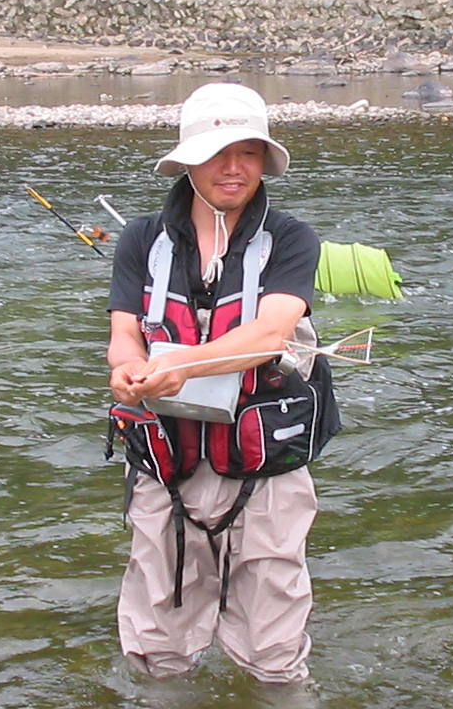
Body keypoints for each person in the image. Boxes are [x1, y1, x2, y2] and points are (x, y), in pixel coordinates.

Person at [105, 82, 340, 684]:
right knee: (157, 642)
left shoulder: (291, 239)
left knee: (273, 646)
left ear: (265, 161)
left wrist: (183, 367)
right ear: (187, 161)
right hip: (165, 461)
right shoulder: (139, 240)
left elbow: (269, 335)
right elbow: (125, 335)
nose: (233, 169)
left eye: (249, 153)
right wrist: (125, 374)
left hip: (266, 469)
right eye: (217, 153)